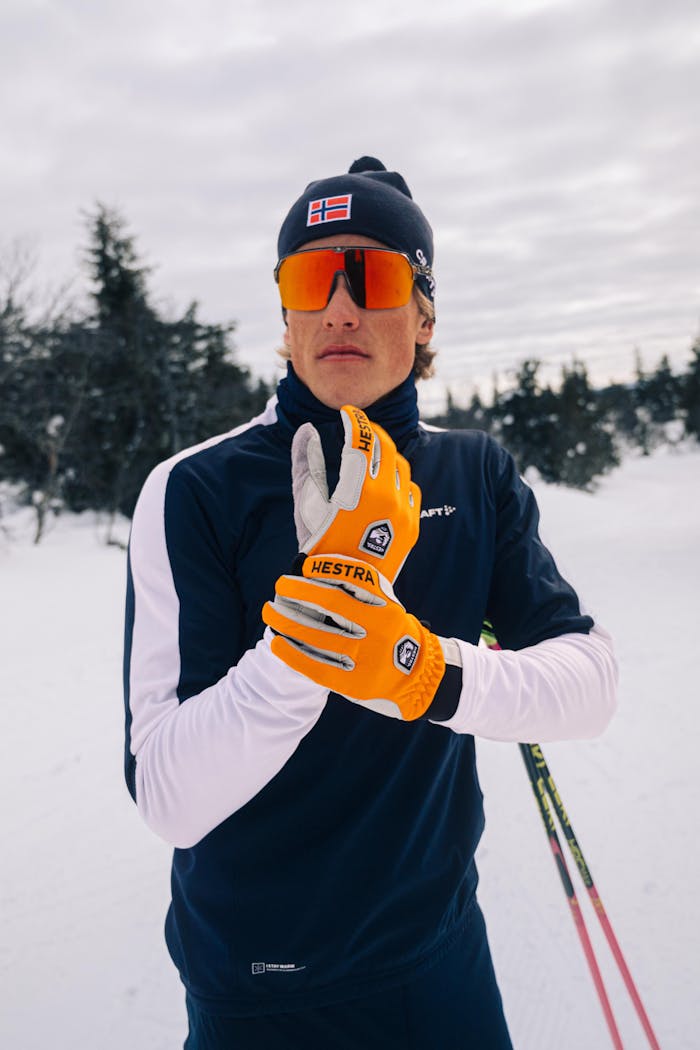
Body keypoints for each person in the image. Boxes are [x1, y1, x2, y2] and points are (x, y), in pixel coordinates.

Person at [123, 156, 618, 1049]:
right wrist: (310, 636)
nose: (341, 308)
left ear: (423, 313)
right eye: (315, 277)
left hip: (440, 961)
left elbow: (588, 683)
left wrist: (427, 672)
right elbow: (166, 795)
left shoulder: (474, 472)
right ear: (286, 313)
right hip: (260, 985)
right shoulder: (195, 489)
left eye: (376, 275)